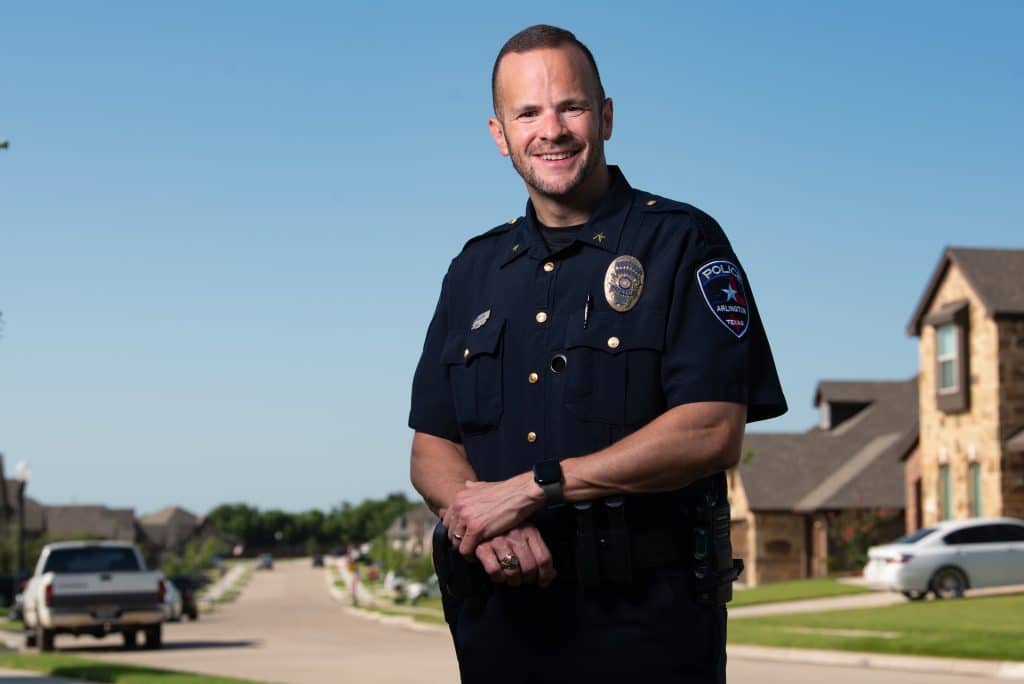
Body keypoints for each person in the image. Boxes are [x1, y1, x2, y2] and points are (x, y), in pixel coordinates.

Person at [409, 24, 786, 683]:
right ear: (500, 135)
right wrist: (481, 518)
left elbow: (711, 432)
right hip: (500, 630)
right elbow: (430, 449)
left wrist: (531, 490)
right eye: (527, 112)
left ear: (605, 116)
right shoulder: (472, 271)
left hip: (647, 630)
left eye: (570, 107)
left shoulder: (683, 243)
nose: (550, 129)